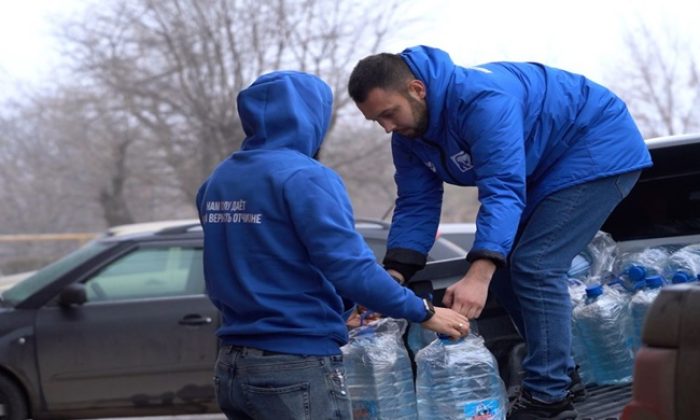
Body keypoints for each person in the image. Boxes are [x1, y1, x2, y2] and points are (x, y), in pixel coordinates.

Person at [348, 46, 652, 420]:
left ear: (417, 89)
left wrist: (479, 272)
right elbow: (415, 203)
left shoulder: (482, 102)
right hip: (541, 168)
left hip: (595, 146)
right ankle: (561, 374)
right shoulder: (408, 138)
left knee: (535, 265)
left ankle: (548, 398)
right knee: (507, 270)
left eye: (388, 114)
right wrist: (394, 275)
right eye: (376, 121)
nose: (387, 128)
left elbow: (503, 188)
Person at [195, 70, 470, 420]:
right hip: (295, 366)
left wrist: (341, 310)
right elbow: (349, 266)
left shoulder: (218, 180)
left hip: (232, 366)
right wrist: (424, 312)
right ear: (311, 115)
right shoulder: (306, 176)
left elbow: (264, 262)